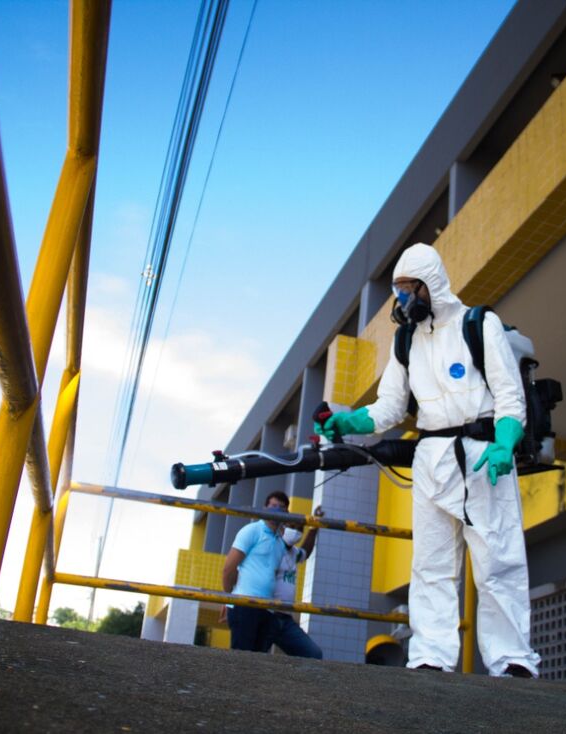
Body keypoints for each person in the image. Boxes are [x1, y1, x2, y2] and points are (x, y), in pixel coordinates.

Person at [314, 243, 540, 678]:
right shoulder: (406, 341)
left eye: (406, 289)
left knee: (498, 561)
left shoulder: (479, 323)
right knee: (431, 566)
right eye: (396, 291)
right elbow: (389, 408)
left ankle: (512, 659)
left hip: (481, 455)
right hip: (431, 458)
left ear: (429, 284)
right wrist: (344, 423)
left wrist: (505, 442)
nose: (400, 300)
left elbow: (509, 394)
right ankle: (431, 656)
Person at [221, 491, 321, 658]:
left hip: (266, 611)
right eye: (273, 506)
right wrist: (227, 599)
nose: (277, 510)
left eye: (281, 508)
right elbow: (229, 569)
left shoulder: (279, 544)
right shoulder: (252, 530)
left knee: (257, 664)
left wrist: (313, 528)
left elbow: (302, 552)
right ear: (264, 508)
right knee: (240, 661)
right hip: (245, 605)